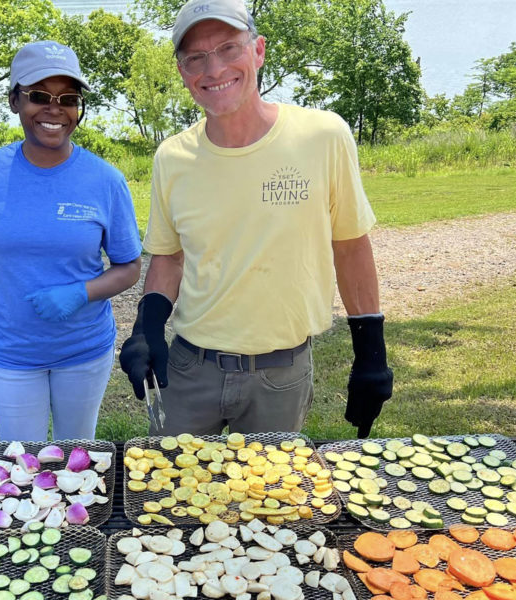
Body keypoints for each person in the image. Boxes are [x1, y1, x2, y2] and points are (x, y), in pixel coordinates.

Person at [118, 0, 393, 438]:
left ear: (258, 50)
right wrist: (147, 328)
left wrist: (371, 353)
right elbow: (169, 257)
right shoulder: (172, 157)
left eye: (229, 48)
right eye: (195, 58)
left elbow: (350, 246)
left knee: (271, 485)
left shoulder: (323, 136)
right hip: (189, 369)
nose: (214, 69)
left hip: (281, 374)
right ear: (183, 71)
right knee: (170, 480)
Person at [0, 41, 142, 441]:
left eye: (68, 99)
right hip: (13, 354)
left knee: (77, 458)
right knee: (21, 463)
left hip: (84, 350)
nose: (55, 110)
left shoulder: (106, 180)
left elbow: (129, 267)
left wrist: (81, 292)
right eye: (39, 96)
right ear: (14, 100)